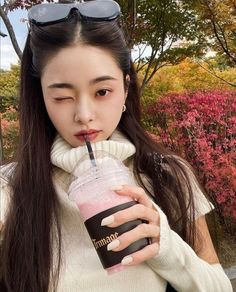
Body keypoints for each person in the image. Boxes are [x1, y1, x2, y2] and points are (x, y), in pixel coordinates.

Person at [0, 1, 233, 291]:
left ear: (125, 88)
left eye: (102, 91)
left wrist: (168, 247)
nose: (84, 115)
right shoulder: (11, 189)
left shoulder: (167, 175)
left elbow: (221, 286)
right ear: (41, 99)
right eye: (61, 97)